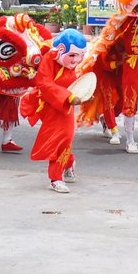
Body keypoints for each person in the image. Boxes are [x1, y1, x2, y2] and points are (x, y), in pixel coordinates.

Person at [23, 29, 89, 193]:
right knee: (60, 139)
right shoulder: (49, 60)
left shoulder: (69, 64)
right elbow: (44, 84)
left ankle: (55, 178)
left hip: (64, 107)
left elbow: (76, 84)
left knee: (64, 139)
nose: (76, 60)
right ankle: (69, 162)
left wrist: (84, 94)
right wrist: (67, 97)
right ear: (61, 50)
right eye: (72, 55)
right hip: (50, 105)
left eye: (79, 55)